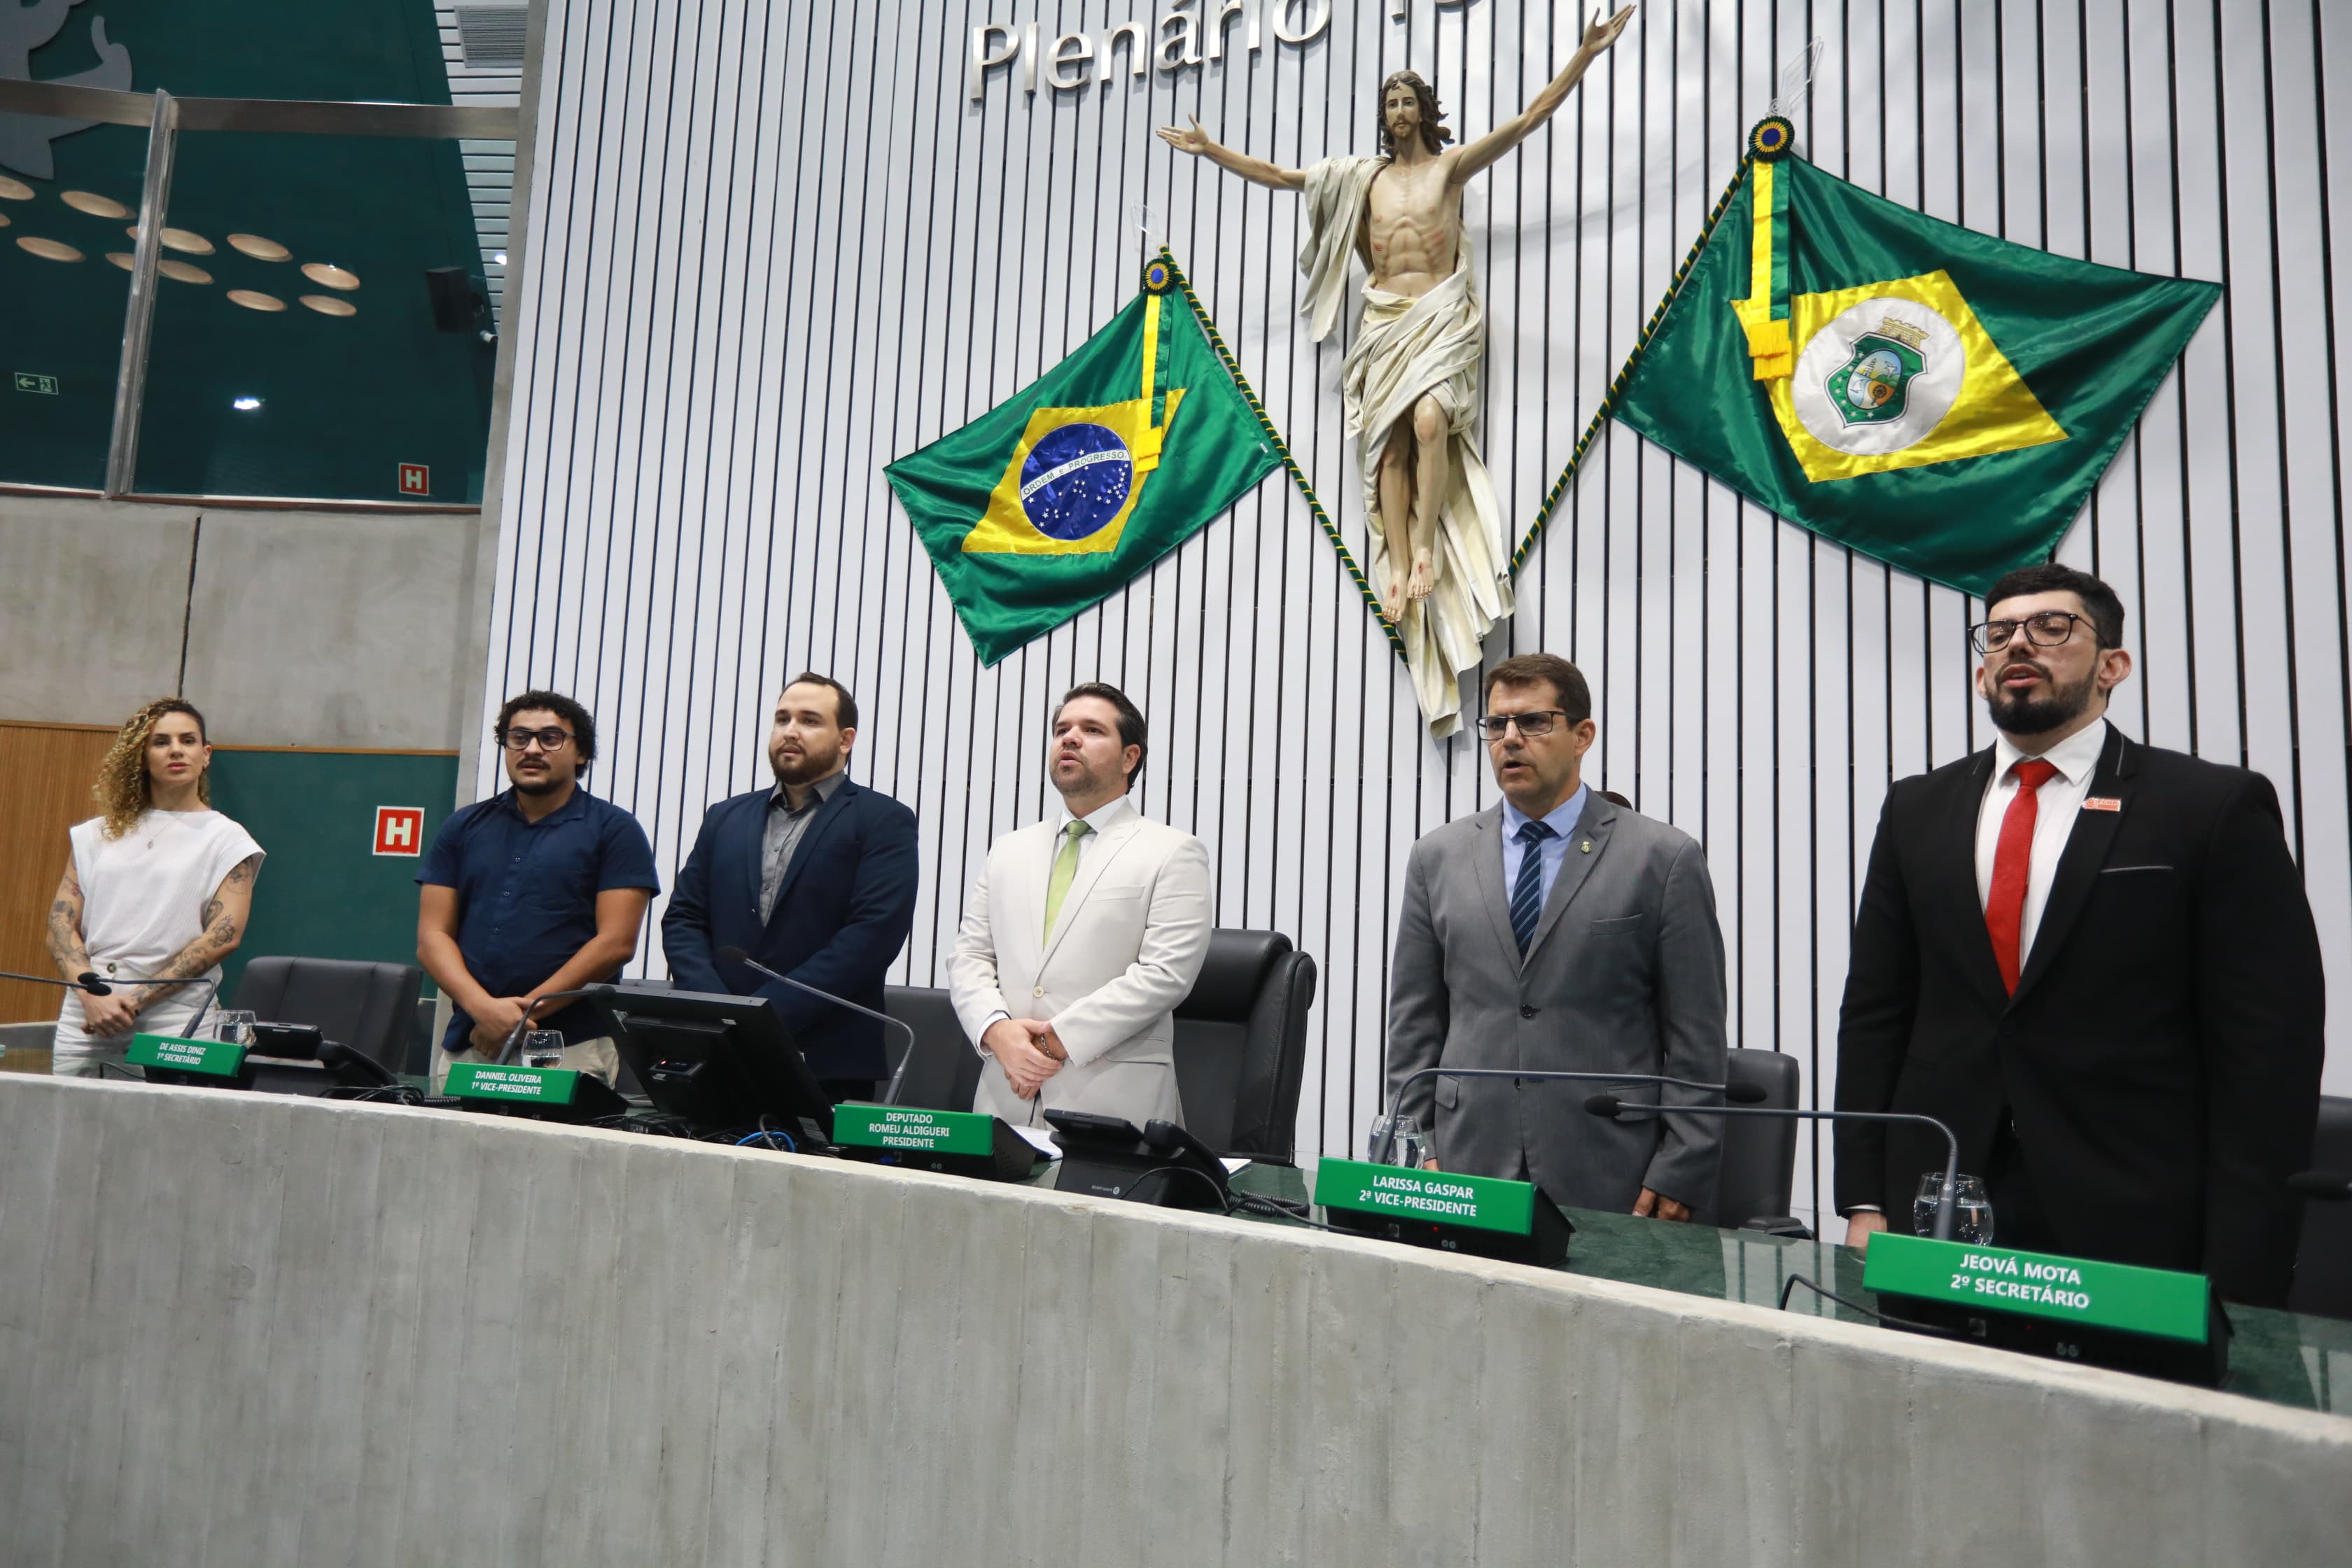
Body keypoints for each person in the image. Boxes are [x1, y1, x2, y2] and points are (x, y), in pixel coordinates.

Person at [1837, 565, 2325, 1304]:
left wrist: (2245, 1259)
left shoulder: (2209, 807)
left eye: (2052, 627)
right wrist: (1864, 1197)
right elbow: (1876, 1011)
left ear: (2113, 666)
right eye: (2000, 633)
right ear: (1981, 673)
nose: (2019, 644)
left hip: (2135, 1214)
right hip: (1942, 1201)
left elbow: (2268, 1052)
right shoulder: (1917, 809)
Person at [1158, 7, 1634, 736]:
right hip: (1382, 321)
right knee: (1388, 446)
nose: (1401, 111)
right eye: (1391, 102)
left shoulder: (1450, 166)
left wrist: (1585, 54)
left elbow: (1531, 118)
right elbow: (1283, 176)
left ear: (1427, 111)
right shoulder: (1360, 179)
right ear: (1383, 114)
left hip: (1439, 315)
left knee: (1430, 421)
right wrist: (1211, 148)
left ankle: (1422, 563)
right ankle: (1405, 559)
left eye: (1411, 100)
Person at [1386, 654, 1728, 1217]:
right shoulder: (1437, 858)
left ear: (1582, 735)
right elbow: (1414, 1025)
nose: (1510, 740)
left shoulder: (1664, 859)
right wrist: (1414, 1144)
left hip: (1614, 1168)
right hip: (1464, 1160)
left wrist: (1683, 1168)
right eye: (1496, 725)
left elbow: (1697, 1037)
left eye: (1533, 722)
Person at [949, 682, 1212, 1130]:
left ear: (1130, 758)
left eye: (1091, 729)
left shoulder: (1173, 851)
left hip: (1111, 1101)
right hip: (1004, 1095)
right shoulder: (1008, 849)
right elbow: (970, 956)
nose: (1069, 738)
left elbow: (1164, 975)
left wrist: (1053, 1042)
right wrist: (997, 1031)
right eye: (1061, 729)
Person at [664, 673, 920, 1103]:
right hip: (713, 1050)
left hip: (824, 1057)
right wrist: (718, 1010)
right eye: (782, 719)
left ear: (845, 740)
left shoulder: (883, 819)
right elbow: (684, 918)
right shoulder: (725, 816)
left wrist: (764, 1017)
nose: (790, 731)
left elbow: (872, 935)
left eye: (809, 720)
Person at [416, 690, 657, 1088]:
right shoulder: (463, 827)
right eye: (519, 737)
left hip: (568, 1046)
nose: (531, 749)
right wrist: (485, 1012)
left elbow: (615, 943)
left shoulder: (615, 830)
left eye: (550, 738)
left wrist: (523, 1014)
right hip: (473, 1038)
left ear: (581, 753)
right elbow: (431, 937)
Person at [45, 699, 265, 1077]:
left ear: (206, 754)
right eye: (161, 741)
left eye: (188, 740)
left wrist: (132, 1002)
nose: (176, 749)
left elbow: (223, 937)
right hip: (89, 1013)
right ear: (143, 757)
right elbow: (61, 926)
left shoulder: (228, 839)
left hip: (176, 1017)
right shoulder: (96, 834)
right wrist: (91, 996)